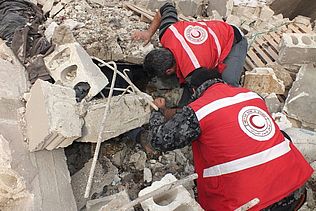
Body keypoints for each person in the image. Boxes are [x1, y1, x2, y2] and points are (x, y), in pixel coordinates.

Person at [148, 67, 313, 211]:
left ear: (193, 90)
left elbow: (158, 140)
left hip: (253, 204)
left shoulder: (198, 110)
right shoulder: (252, 96)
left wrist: (156, 111)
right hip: (297, 190)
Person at [132, 2, 248, 106]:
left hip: (233, 40)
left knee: (228, 85)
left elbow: (200, 94)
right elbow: (166, 7)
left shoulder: (195, 71)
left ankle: (240, 104)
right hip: (214, 33)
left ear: (169, 71)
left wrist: (170, 102)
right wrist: (148, 33)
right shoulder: (167, 32)